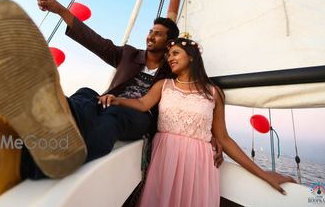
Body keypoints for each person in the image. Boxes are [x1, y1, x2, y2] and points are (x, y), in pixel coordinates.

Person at [0, 0, 222, 206]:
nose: (150, 36)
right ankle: (39, 113)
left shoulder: (171, 71)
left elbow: (192, 98)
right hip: (107, 103)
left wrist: (212, 136)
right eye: (150, 31)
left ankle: (34, 159)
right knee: (85, 95)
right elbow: (96, 42)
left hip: (137, 116)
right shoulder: (129, 54)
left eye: (157, 34)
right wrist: (60, 10)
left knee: (113, 118)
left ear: (169, 42)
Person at [98, 38, 295, 207]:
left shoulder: (213, 93)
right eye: (169, 55)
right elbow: (142, 103)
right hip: (164, 158)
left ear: (191, 57)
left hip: (199, 165)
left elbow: (224, 139)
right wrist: (117, 99)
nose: (170, 58)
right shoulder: (163, 85)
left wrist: (263, 174)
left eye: (176, 53)